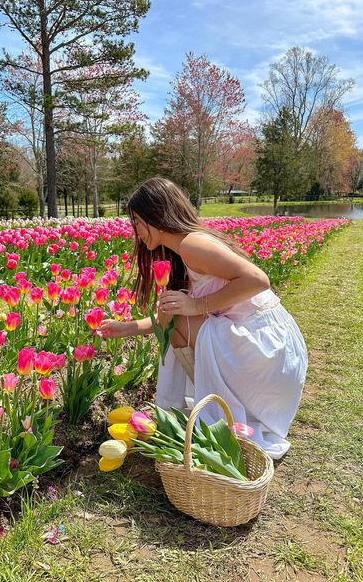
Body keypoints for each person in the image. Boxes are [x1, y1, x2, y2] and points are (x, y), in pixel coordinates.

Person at [98, 177, 308, 459]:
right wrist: (126, 328)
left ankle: (205, 412)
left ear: (155, 216)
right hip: (270, 354)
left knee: (176, 323)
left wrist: (198, 306)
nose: (135, 230)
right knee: (174, 318)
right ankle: (208, 409)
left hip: (269, 353)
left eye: (137, 221)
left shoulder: (192, 245)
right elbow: (171, 317)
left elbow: (259, 280)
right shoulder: (184, 252)